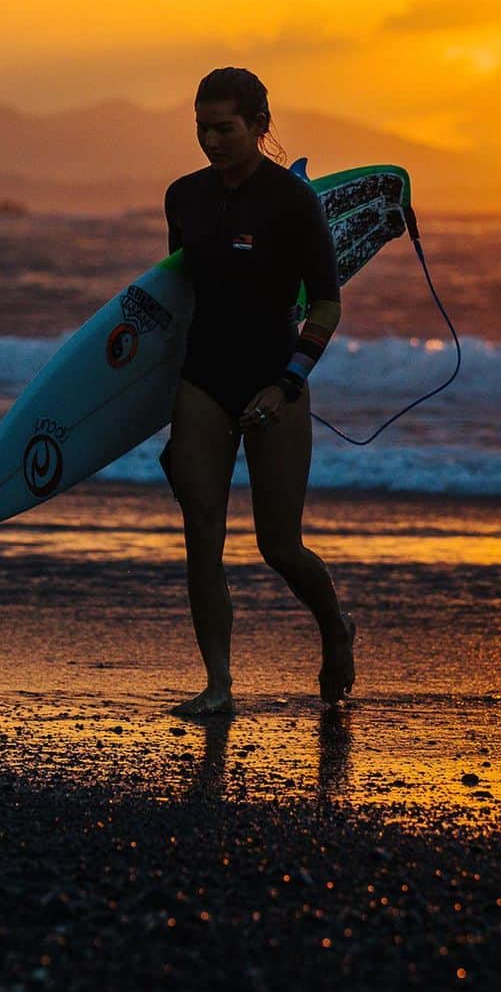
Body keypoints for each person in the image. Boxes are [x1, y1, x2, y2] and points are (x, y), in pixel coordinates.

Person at [162, 67, 356, 717]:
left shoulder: (293, 202)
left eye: (225, 128)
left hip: (276, 381)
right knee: (202, 539)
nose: (211, 140)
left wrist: (289, 383)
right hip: (202, 381)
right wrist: (164, 415)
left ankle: (334, 628)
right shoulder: (183, 198)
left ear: (259, 126)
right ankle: (218, 685)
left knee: (279, 545)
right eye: (201, 128)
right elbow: (179, 298)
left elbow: (326, 305)